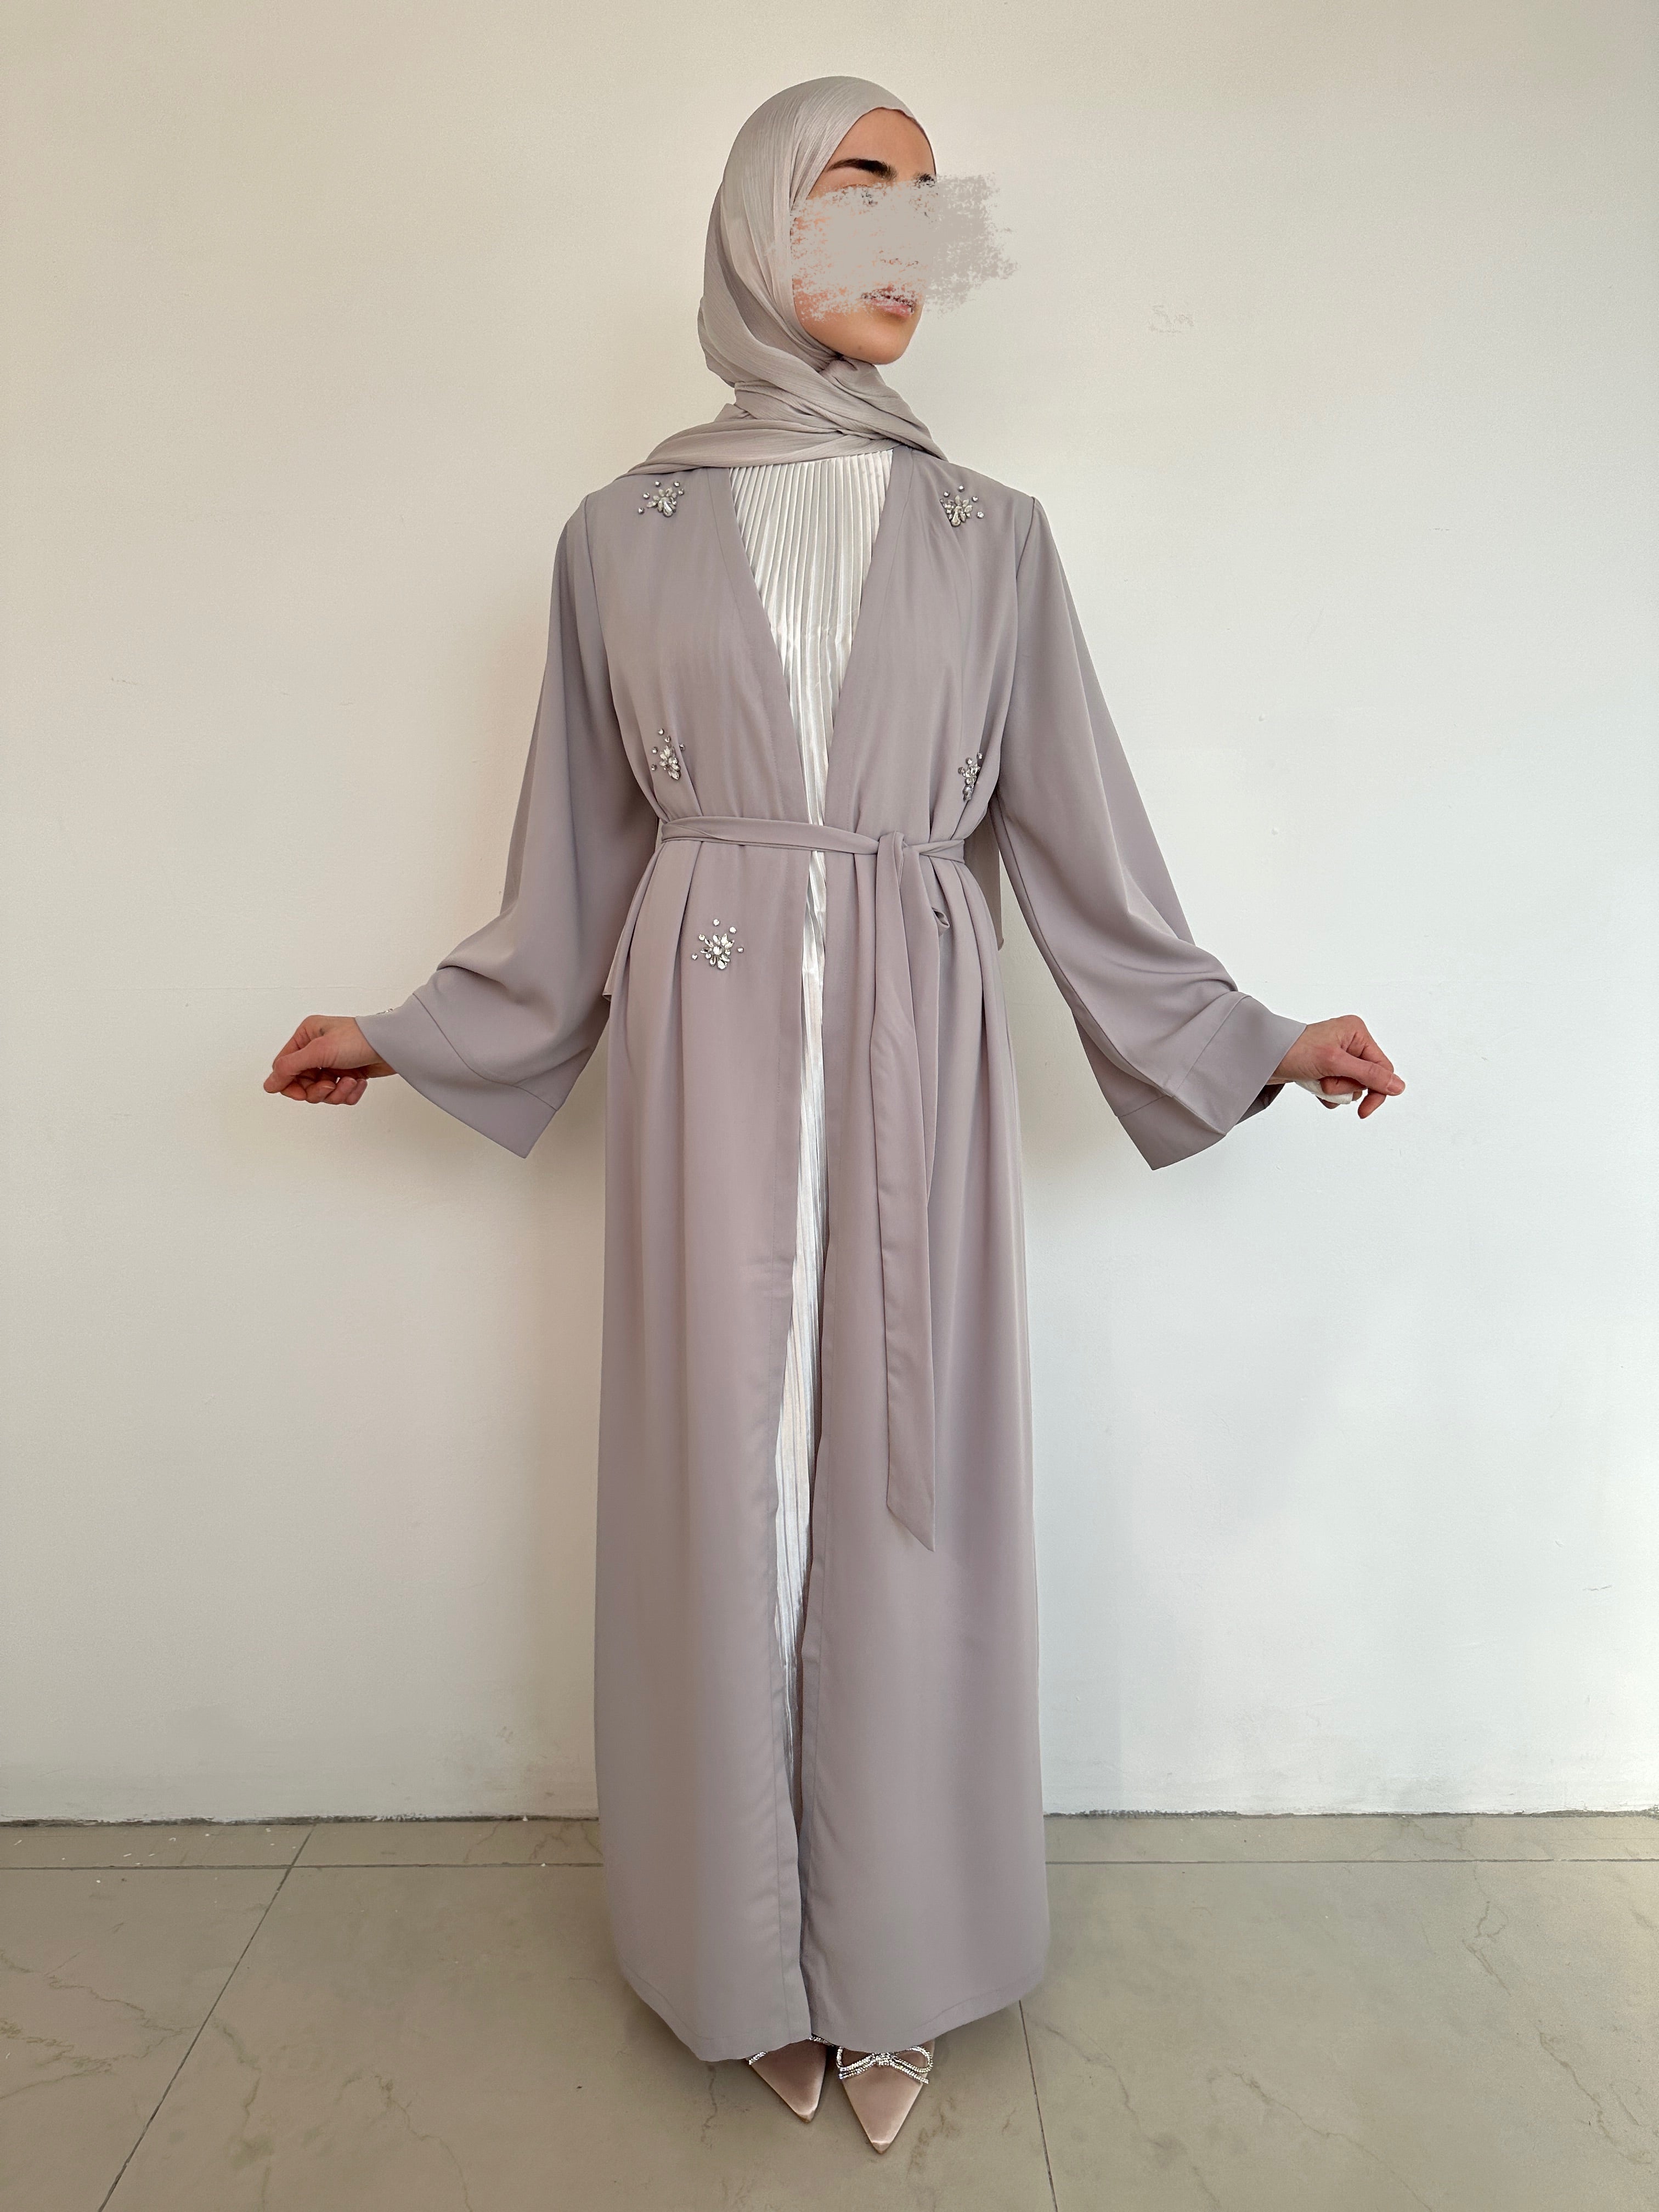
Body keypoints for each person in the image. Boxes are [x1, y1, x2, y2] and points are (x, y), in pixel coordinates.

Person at [264, 75, 1404, 2155]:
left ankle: (895, 1957)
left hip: (915, 1027)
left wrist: (1250, 1035)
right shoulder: (621, 535)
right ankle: (738, 1956)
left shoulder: (993, 538)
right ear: (756, 220)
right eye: (858, 190)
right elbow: (572, 860)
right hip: (704, 1034)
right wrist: (417, 1031)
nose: (906, 239)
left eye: (929, 203)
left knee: (903, 1474)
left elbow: (1081, 844)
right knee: (726, 1486)